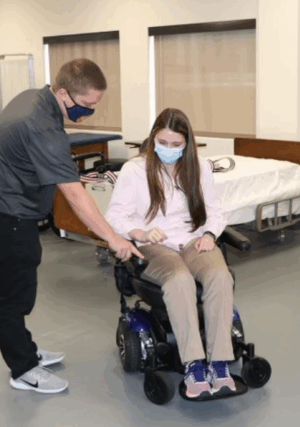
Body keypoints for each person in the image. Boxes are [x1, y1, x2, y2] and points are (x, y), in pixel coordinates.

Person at [0, 59, 143, 394]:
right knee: (13, 297)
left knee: (19, 289)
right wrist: (113, 239)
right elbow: (74, 195)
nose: (89, 112)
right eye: (86, 104)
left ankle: (26, 350)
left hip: (0, 209)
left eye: (95, 104)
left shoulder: (34, 97)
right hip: (2, 217)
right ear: (63, 93)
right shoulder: (42, 126)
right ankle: (22, 369)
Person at [104, 108, 236, 398]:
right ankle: (194, 364)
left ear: (187, 144)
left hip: (192, 239)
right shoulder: (135, 170)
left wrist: (210, 235)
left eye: (176, 145)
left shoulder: (199, 168)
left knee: (220, 275)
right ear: (153, 138)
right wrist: (140, 232)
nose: (169, 149)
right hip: (153, 244)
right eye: (163, 143)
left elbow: (215, 211)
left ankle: (219, 362)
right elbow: (114, 216)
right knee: (179, 279)